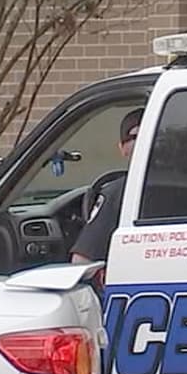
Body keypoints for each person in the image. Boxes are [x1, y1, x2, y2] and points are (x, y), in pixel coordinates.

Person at [70, 107, 142, 264]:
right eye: (137, 136)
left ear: (122, 149)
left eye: (145, 134)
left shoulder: (118, 193)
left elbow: (81, 262)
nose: (144, 141)